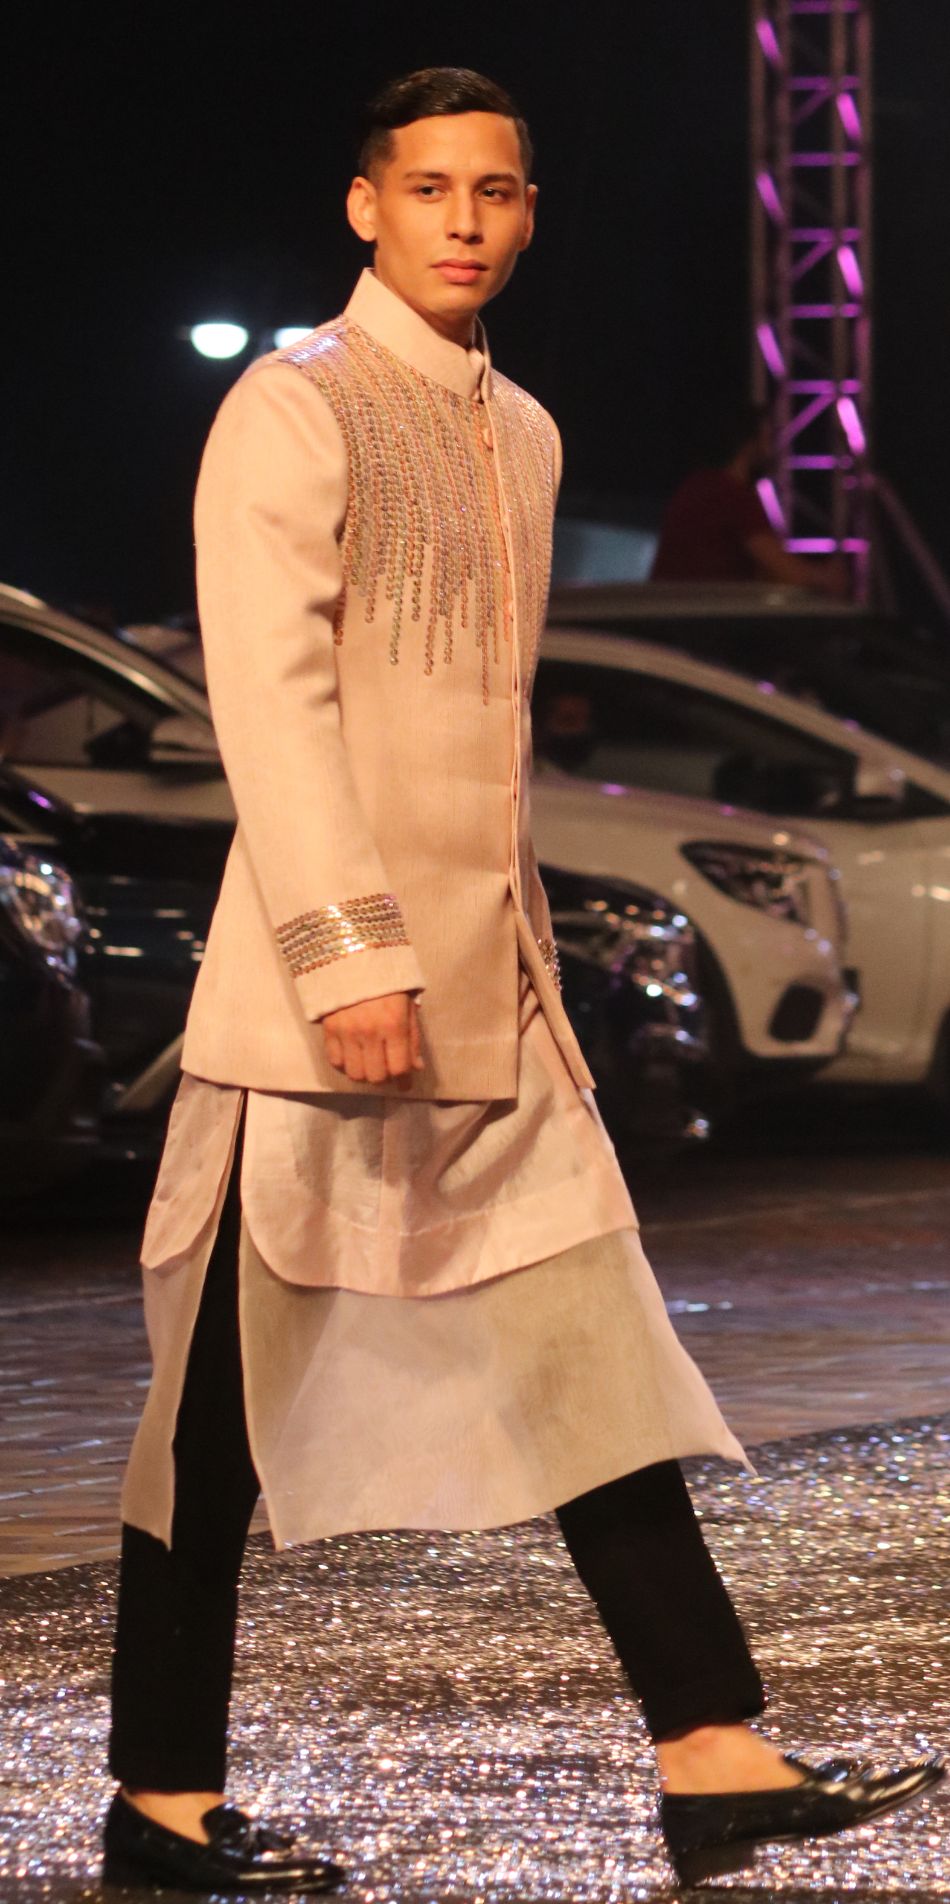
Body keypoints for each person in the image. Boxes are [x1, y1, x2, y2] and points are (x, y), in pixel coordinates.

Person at [101, 68, 942, 1896]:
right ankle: (158, 1801)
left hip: (500, 1001)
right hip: (327, 1010)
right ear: (366, 205)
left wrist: (510, 963)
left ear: (529, 212)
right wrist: (351, 957)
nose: (464, 220)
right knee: (217, 1417)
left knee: (592, 1366)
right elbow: (272, 707)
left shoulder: (528, 433)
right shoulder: (294, 404)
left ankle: (710, 1751)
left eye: (494, 190)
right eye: (429, 188)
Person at [651, 402, 850, 596]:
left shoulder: (696, 485)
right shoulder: (731, 495)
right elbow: (788, 571)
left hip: (676, 608)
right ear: (749, 444)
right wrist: (824, 577)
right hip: (705, 611)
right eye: (768, 438)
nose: (773, 448)